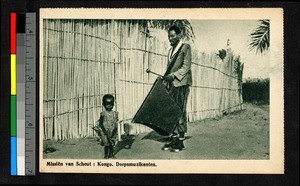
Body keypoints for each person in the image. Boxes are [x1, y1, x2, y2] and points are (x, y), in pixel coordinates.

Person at [161, 25, 192, 152]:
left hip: (182, 83)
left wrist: (173, 76)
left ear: (179, 35)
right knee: (172, 110)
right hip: (172, 83)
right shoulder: (170, 51)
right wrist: (166, 78)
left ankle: (180, 141)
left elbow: (186, 67)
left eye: (172, 36)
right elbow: (170, 69)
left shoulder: (186, 47)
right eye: (169, 36)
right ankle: (173, 138)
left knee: (180, 109)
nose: (170, 38)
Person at [93, 94, 119, 159]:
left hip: (112, 131)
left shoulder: (115, 113)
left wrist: (115, 130)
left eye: (111, 104)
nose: (109, 106)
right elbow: (101, 123)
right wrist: (104, 132)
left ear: (113, 104)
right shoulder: (103, 114)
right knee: (107, 144)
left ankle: (111, 154)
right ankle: (106, 155)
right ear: (104, 104)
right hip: (105, 131)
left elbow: (116, 122)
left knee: (112, 144)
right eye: (107, 104)